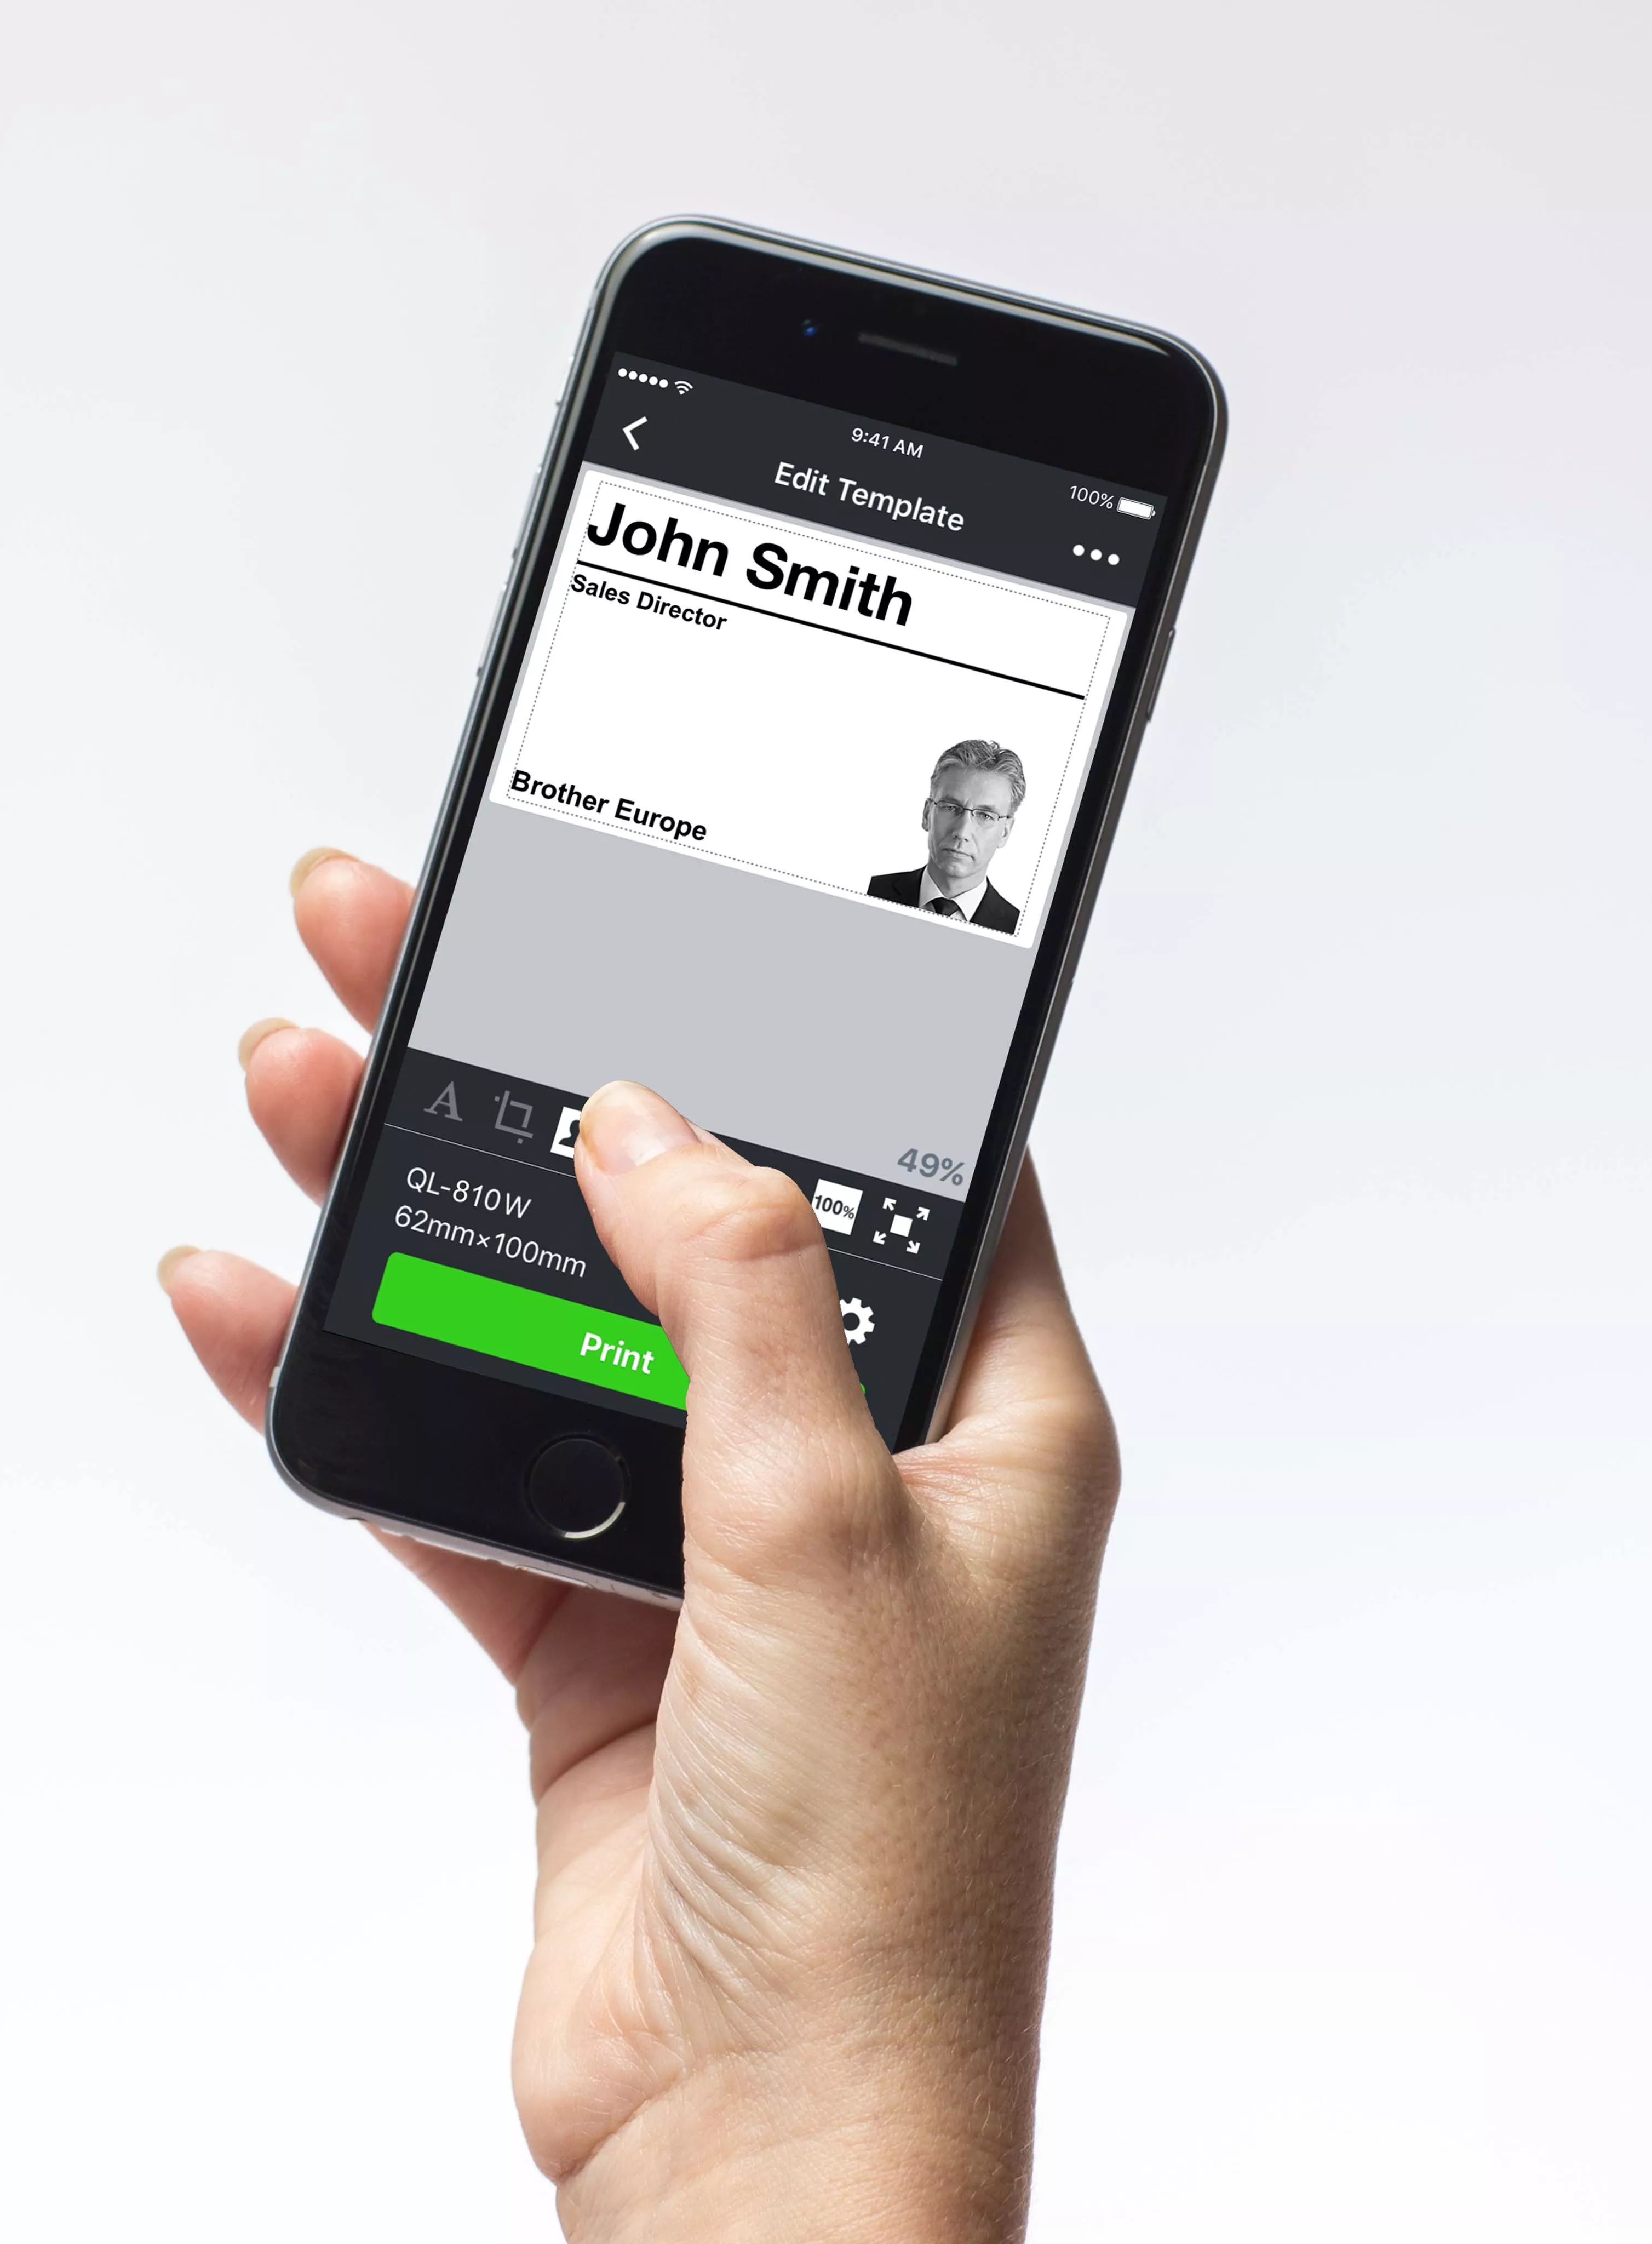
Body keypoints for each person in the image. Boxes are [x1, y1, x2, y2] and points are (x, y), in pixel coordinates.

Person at [160, 846, 1118, 2242]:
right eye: (950, 805)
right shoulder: (881, 885)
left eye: (990, 810)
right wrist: (782, 2130)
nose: (964, 831)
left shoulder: (955, 940)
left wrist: (769, 2118)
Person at [868, 739, 1026, 932]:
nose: (962, 832)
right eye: (951, 808)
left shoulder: (1021, 931)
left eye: (985, 816)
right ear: (927, 814)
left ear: (1005, 832)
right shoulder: (868, 891)